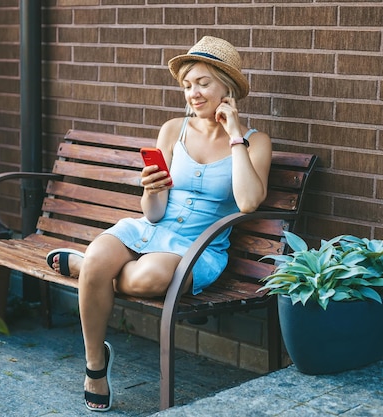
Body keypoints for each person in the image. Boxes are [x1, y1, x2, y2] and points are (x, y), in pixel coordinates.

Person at [46, 36, 272, 412]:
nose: (193, 94)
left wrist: (234, 136)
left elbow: (248, 201)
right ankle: (95, 367)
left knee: (141, 278)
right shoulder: (172, 131)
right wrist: (150, 189)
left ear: (226, 86)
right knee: (103, 253)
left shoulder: (255, 141)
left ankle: (85, 271)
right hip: (151, 229)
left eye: (202, 83)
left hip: (198, 248)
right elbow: (152, 212)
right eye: (187, 85)